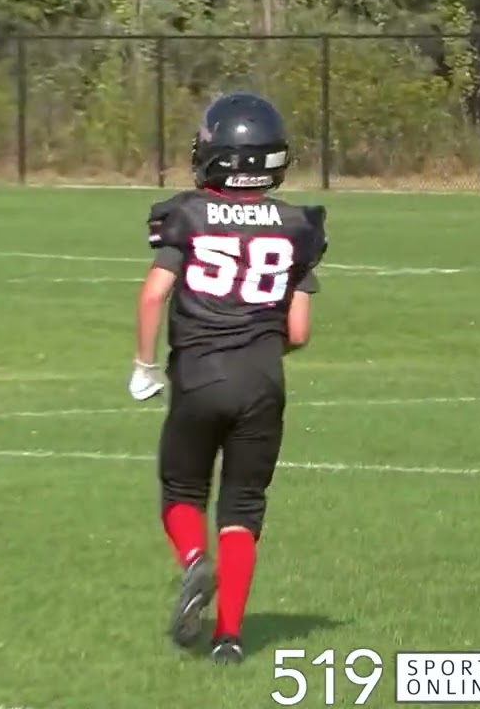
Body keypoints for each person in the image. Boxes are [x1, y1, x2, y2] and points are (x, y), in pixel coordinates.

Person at [128, 92, 327, 664]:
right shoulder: (297, 226)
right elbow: (299, 331)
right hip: (263, 380)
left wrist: (144, 365)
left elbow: (154, 295)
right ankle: (230, 639)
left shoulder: (186, 214)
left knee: (181, 492)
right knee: (242, 510)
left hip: (199, 374)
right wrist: (256, 346)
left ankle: (195, 562)